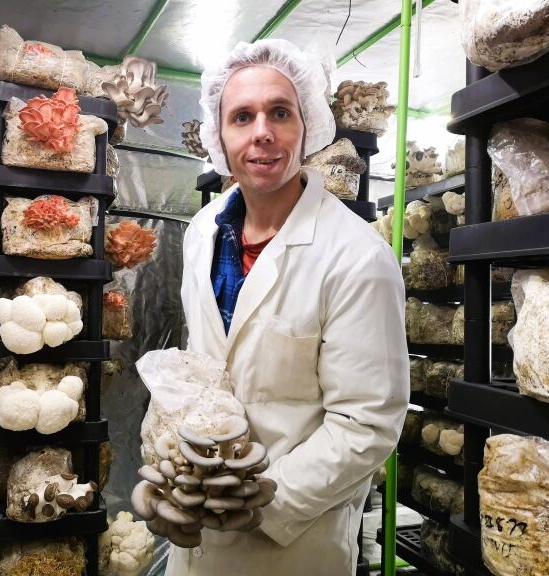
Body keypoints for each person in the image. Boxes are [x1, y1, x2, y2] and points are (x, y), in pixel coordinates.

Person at [174, 39, 409, 576]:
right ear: (219, 135)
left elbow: (367, 423)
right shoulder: (201, 233)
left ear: (308, 126)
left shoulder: (356, 256)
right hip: (195, 536)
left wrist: (256, 502)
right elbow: (202, 367)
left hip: (293, 542)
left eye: (280, 112)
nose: (262, 132)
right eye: (242, 117)